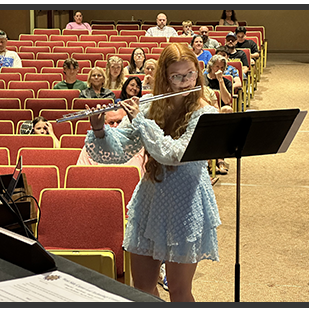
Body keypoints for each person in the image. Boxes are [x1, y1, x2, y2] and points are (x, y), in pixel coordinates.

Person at [84, 43, 221, 302]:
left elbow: (175, 154)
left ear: (198, 72)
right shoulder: (148, 105)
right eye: (176, 77)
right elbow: (121, 149)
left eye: (190, 74)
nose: (184, 82)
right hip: (151, 199)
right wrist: (101, 131)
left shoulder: (205, 112)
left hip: (186, 203)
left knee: (180, 292)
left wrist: (142, 121)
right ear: (164, 78)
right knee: (142, 287)